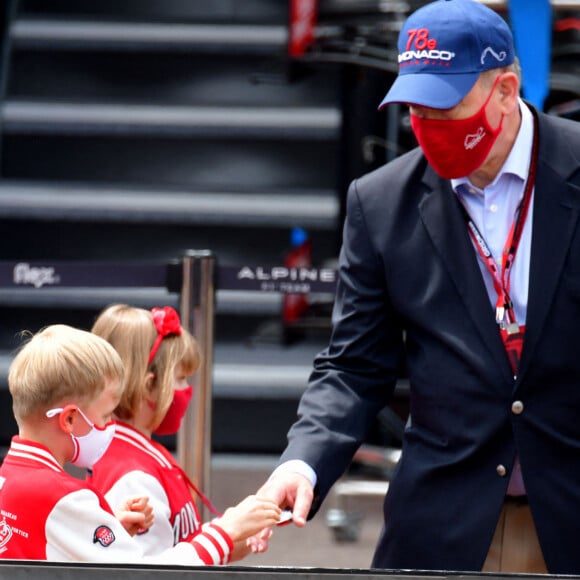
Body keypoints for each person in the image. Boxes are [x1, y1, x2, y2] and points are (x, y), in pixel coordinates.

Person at [254, 0, 580, 574]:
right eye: (415, 107)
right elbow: (354, 366)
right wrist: (301, 463)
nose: (427, 125)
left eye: (445, 106)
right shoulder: (380, 203)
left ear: (505, 90)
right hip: (444, 524)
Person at [0, 324, 281, 563]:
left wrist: (109, 528)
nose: (110, 425)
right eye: (106, 415)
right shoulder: (65, 498)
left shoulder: (8, 479)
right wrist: (227, 531)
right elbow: (144, 575)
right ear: (70, 419)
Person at [87, 303, 270, 562]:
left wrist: (236, 535)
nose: (186, 391)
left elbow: (175, 542)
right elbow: (153, 572)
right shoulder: (133, 477)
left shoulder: (137, 450)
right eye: (181, 378)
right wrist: (224, 532)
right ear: (150, 386)